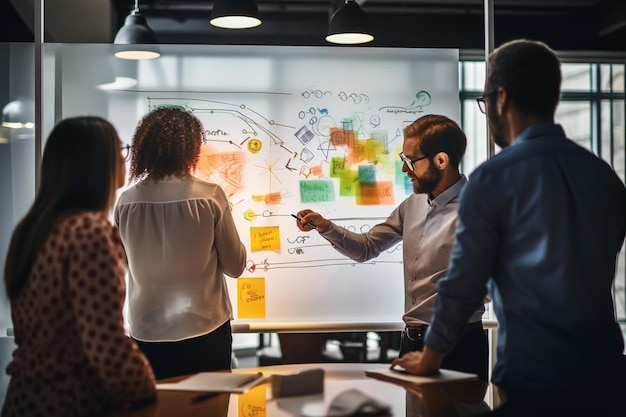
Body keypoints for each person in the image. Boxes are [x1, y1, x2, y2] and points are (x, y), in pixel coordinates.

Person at [391, 39, 626, 416]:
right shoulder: (604, 178)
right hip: (608, 379)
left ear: (501, 98)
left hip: (537, 382)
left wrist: (430, 356)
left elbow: (464, 283)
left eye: (485, 103)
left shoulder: (493, 180)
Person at [295, 114, 489, 381]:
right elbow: (367, 247)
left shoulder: (477, 210)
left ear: (441, 160)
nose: (404, 169)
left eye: (410, 160)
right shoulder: (414, 204)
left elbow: (479, 286)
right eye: (403, 159)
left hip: (459, 345)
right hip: (411, 341)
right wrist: (325, 226)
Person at [2, 117, 156, 417]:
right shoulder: (88, 231)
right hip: (72, 401)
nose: (125, 160)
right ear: (99, 163)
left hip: (25, 398)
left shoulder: (34, 228)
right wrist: (147, 391)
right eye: (121, 150)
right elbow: (106, 342)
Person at [114, 106, 247, 380]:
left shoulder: (126, 201)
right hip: (205, 328)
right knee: (209, 409)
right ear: (191, 147)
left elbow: (121, 264)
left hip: (146, 330)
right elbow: (236, 266)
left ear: (144, 147)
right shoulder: (209, 196)